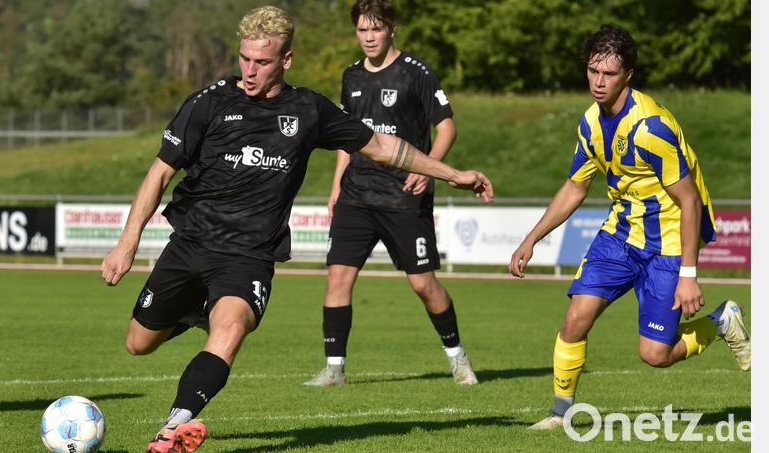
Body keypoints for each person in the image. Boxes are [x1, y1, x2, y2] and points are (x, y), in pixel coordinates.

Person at [100, 5, 493, 452]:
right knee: (139, 343)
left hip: (248, 256)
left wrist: (451, 172)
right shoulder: (208, 102)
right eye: (245, 59)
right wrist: (126, 245)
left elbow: (382, 146)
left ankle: (173, 428)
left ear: (285, 60)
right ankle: (194, 314)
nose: (249, 71)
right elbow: (158, 174)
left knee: (228, 331)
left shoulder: (308, 110)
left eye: (262, 62)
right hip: (190, 244)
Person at [508, 25, 751, 430]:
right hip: (621, 234)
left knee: (655, 354)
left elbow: (689, 200)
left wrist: (688, 276)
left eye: (608, 74)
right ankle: (560, 414)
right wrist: (532, 239)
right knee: (575, 318)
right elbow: (575, 186)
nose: (597, 82)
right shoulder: (589, 123)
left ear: (628, 75)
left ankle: (721, 320)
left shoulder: (650, 127)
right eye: (592, 71)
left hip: (669, 240)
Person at [302, 0, 479, 388]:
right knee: (337, 279)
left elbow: (446, 128)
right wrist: (335, 188)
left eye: (375, 29)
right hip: (356, 195)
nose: (368, 37)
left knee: (422, 284)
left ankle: (458, 357)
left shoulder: (416, 73)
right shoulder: (350, 76)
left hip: (403, 196)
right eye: (362, 30)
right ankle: (335, 369)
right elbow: (348, 140)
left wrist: (427, 168)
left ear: (392, 29)